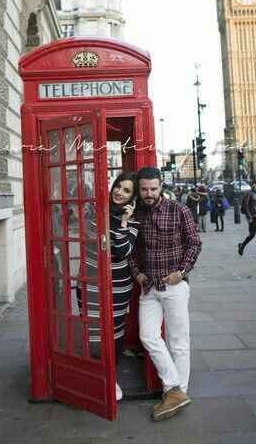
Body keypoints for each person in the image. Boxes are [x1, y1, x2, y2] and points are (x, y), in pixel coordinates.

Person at [129, 166, 202, 421]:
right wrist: (137, 273)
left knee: (178, 341)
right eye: (144, 189)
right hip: (149, 287)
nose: (149, 193)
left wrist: (181, 272)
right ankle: (174, 388)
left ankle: (180, 390)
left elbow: (195, 243)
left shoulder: (179, 210)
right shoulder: (136, 213)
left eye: (153, 188)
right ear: (139, 189)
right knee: (148, 336)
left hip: (174, 286)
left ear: (161, 187)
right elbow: (131, 250)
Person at [76, 172, 138, 401]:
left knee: (113, 332)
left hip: (117, 285)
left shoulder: (132, 221)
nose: (119, 192)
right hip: (89, 280)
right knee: (91, 329)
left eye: (127, 190)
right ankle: (94, 376)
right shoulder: (97, 210)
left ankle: (111, 378)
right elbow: (86, 237)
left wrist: (122, 222)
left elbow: (123, 250)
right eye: (118, 187)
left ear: (133, 198)